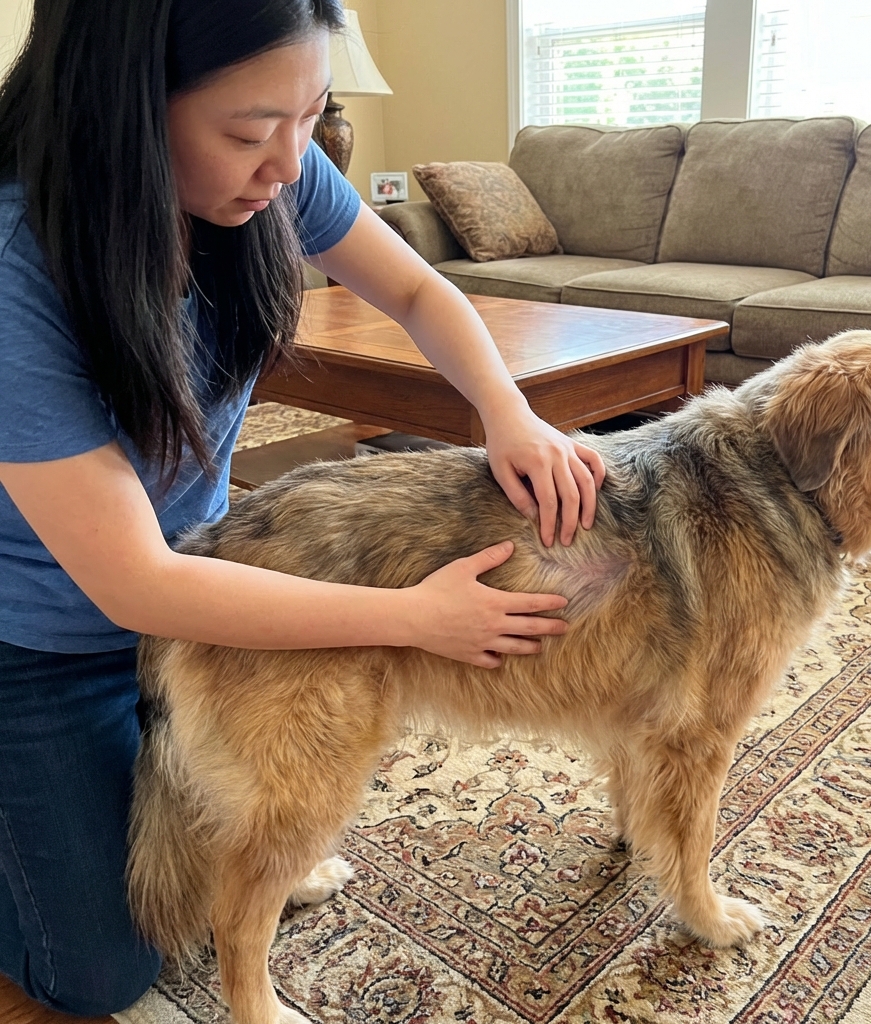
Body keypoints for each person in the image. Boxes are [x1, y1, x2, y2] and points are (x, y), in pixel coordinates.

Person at [0, 0, 605, 1014]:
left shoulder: (280, 167)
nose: (289, 162)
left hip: (197, 573)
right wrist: (416, 619)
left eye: (311, 113)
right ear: (123, 109)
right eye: (247, 131)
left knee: (218, 850)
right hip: (42, 640)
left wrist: (507, 411)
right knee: (102, 971)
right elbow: (137, 585)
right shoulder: (19, 262)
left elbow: (420, 294)